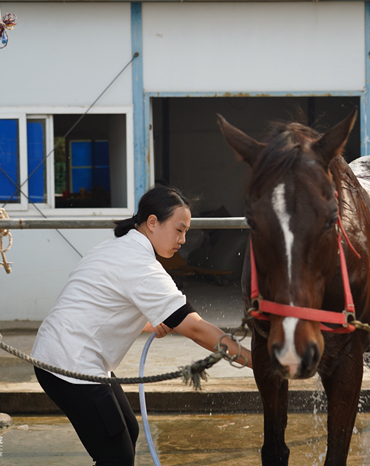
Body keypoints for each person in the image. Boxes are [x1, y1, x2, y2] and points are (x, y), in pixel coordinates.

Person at [31, 185, 252, 466]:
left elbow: (105, 301)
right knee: (117, 456)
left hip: (63, 356)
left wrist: (149, 320)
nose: (183, 239)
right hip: (70, 366)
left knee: (128, 431)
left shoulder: (117, 246)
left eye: (186, 232)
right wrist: (255, 361)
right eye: (179, 230)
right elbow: (195, 328)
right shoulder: (142, 266)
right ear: (152, 223)